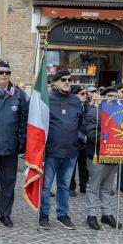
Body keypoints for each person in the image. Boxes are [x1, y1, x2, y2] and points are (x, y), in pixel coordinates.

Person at [0, 60, 28, 228]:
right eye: (0, 72)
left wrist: (22, 143)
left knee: (8, 182)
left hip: (11, 147)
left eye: (7, 73)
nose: (4, 75)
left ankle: (6, 214)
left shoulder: (19, 95)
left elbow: (24, 121)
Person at [39, 70, 83, 230]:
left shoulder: (76, 101)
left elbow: (82, 124)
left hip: (71, 152)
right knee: (46, 187)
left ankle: (62, 215)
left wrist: (79, 137)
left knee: (64, 186)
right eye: (63, 79)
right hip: (51, 151)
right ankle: (43, 215)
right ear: (55, 82)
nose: (67, 82)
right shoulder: (47, 100)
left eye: (69, 80)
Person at [84, 86, 122, 230]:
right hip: (98, 155)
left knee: (107, 188)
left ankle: (106, 214)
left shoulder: (120, 114)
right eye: (110, 96)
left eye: (115, 96)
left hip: (113, 155)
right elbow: (91, 135)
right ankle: (91, 215)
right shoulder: (94, 113)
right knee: (93, 187)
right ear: (103, 97)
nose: (113, 99)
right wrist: (112, 133)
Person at [69, 86, 89, 197]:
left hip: (86, 143)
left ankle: (84, 186)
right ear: (75, 95)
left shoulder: (87, 106)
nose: (85, 95)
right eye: (82, 93)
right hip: (74, 141)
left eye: (85, 93)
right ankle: (71, 187)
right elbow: (71, 126)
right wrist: (82, 137)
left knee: (84, 166)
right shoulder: (71, 107)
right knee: (71, 166)